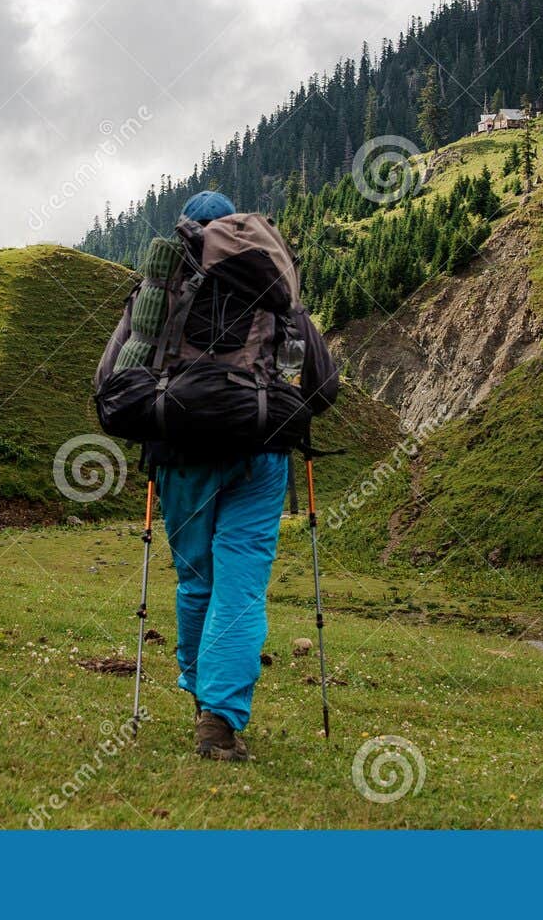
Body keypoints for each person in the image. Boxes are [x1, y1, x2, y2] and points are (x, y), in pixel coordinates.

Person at [98, 190, 338, 761]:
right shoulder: (273, 285)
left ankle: (203, 696)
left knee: (197, 582)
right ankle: (219, 718)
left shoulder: (160, 293)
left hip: (181, 456)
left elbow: (111, 381)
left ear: (187, 233)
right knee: (241, 585)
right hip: (259, 455)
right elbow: (323, 386)